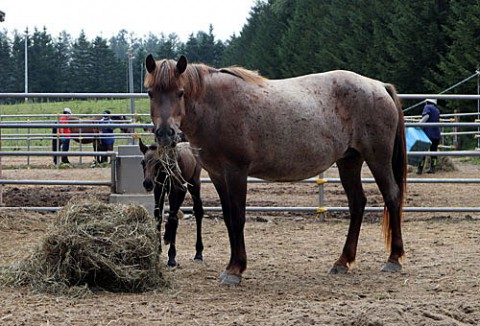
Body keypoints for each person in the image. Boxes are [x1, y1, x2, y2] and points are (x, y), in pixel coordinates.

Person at [417, 99, 441, 174]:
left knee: (422, 151)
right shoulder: (437, 110)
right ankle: (432, 168)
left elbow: (426, 116)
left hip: (428, 133)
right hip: (436, 133)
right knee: (433, 152)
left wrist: (418, 124)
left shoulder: (427, 107)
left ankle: (420, 169)